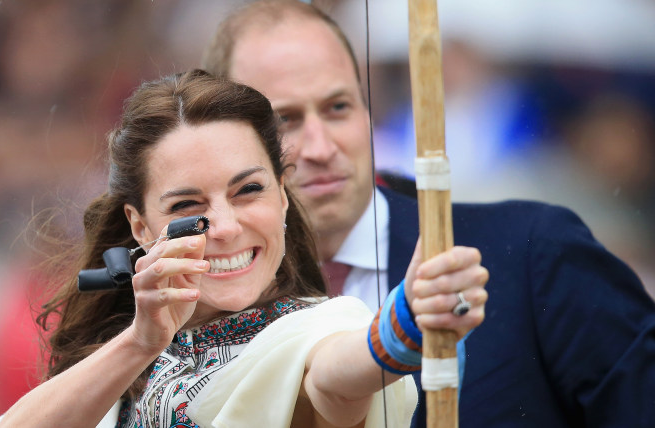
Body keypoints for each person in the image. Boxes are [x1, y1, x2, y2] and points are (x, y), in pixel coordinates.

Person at [201, 1, 655, 427]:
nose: (322, 148)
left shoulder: (534, 251)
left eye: (338, 107)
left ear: (366, 109)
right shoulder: (198, 312)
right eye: (285, 120)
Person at [0, 69, 487, 427]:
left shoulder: (316, 331)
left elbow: (337, 375)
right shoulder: (129, 352)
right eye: (187, 205)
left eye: (249, 191)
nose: (224, 227)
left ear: (284, 197)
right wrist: (140, 342)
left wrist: (403, 324)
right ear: (138, 226)